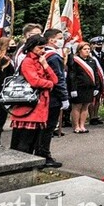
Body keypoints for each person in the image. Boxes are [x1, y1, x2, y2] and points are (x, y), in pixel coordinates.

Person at [9, 35, 57, 155]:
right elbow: (35, 81)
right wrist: (49, 84)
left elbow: (55, 80)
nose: (43, 51)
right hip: (28, 106)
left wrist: (45, 65)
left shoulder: (40, 61)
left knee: (32, 141)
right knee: (24, 142)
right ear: (32, 47)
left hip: (39, 105)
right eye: (40, 48)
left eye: (44, 48)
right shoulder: (28, 61)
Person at [36, 29, 70, 168]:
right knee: (48, 127)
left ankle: (39, 152)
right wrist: (64, 97)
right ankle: (44, 155)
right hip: (53, 97)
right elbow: (59, 79)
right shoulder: (54, 57)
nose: (62, 40)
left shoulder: (42, 54)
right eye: (60, 38)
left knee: (42, 127)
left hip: (43, 95)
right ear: (51, 40)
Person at [68, 42, 102, 133]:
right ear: (79, 50)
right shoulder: (75, 60)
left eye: (88, 49)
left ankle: (82, 125)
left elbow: (96, 75)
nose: (87, 51)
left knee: (85, 106)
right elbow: (72, 75)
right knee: (77, 107)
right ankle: (76, 126)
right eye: (84, 49)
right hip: (79, 87)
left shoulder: (92, 61)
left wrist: (96, 87)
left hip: (89, 88)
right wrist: (73, 89)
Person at [88, 36, 104, 126]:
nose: (99, 46)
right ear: (92, 45)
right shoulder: (90, 55)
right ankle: (91, 117)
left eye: (100, 44)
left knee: (98, 99)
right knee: (92, 99)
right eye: (97, 44)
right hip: (92, 79)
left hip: (101, 80)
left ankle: (96, 116)